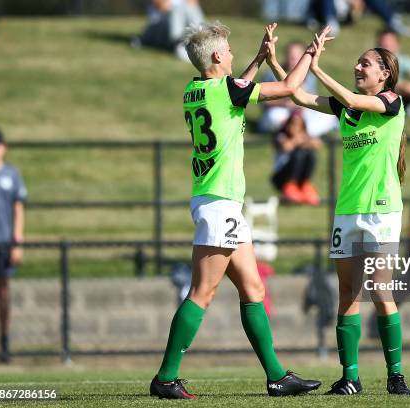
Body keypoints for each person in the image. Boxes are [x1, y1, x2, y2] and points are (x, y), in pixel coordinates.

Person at [149, 22, 323, 399]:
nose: (231, 55)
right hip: (218, 202)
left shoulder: (195, 90)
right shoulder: (227, 89)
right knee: (202, 293)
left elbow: (234, 93)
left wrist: (259, 59)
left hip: (219, 202)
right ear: (216, 56)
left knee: (253, 288)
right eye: (227, 51)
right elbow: (290, 88)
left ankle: (277, 376)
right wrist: (311, 53)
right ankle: (165, 377)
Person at [267, 27, 410, 396]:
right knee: (348, 292)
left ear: (384, 74)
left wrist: (316, 66)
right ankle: (350, 377)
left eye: (366, 63)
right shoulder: (346, 109)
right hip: (347, 211)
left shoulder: (391, 101)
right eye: (358, 62)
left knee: (380, 291)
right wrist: (274, 62)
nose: (357, 66)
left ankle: (395, 374)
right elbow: (297, 97)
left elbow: (348, 96)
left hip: (381, 210)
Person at [0, 127, 27, 364]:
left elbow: (18, 209)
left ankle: (4, 341)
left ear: (3, 147)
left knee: (3, 293)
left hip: (3, 242)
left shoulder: (11, 174)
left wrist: (17, 242)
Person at [258, 41, 337, 138]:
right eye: (291, 55)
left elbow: (312, 100)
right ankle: (296, 132)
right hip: (281, 111)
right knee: (273, 116)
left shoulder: (309, 76)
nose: (293, 58)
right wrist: (285, 103)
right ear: (286, 56)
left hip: (302, 113)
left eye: (297, 56)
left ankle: (297, 132)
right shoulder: (271, 74)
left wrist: (302, 104)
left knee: (328, 116)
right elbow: (263, 102)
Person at [271, 109, 322, 205]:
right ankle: (290, 187)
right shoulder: (281, 135)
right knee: (299, 154)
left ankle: (305, 185)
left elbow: (317, 144)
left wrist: (306, 141)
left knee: (310, 154)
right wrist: (297, 140)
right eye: (293, 124)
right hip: (281, 176)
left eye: (299, 125)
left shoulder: (305, 135)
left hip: (299, 175)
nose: (295, 127)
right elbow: (287, 147)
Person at [134, 0, 205, 60]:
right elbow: (162, 6)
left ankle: (204, 39)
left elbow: (193, 2)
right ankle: (178, 45)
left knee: (192, 8)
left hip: (181, 24)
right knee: (176, 10)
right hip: (159, 26)